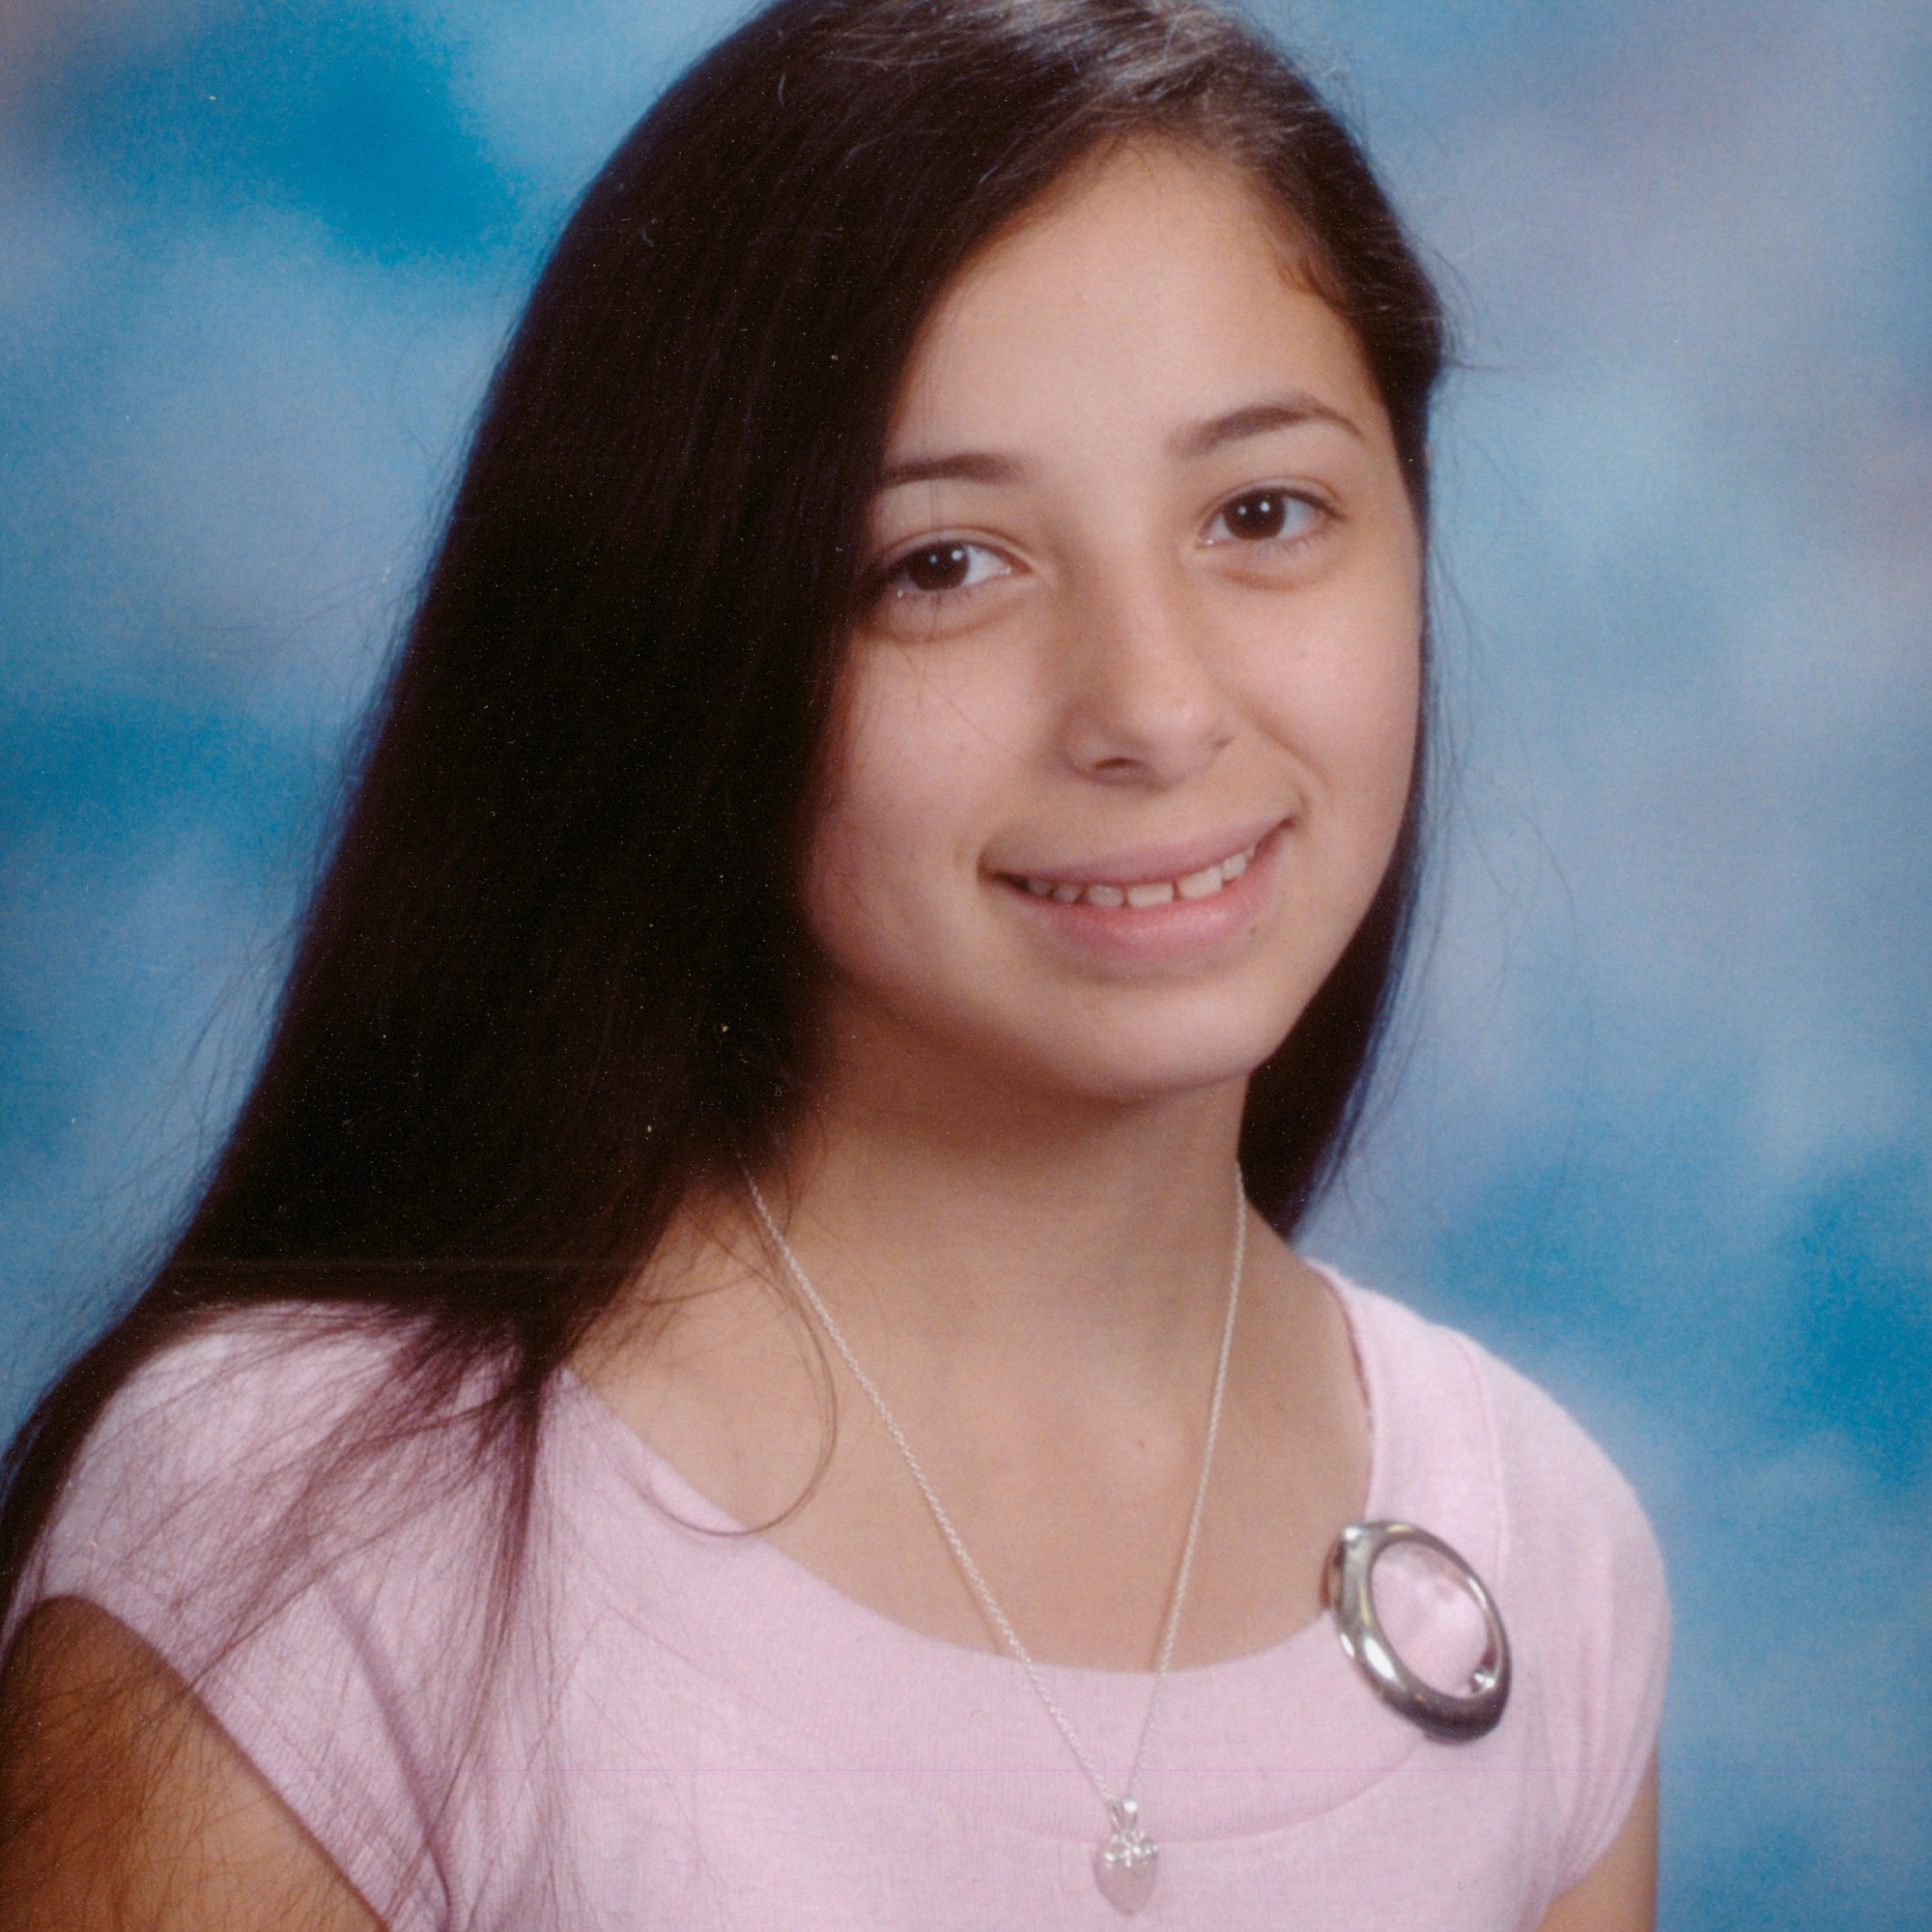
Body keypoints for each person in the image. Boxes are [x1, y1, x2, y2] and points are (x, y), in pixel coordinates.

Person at [0, 0, 1667, 1925]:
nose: (1153, 707)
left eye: (1261, 513)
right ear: (689, 638)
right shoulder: (313, 1542)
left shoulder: (1543, 1551)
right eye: (941, 565)